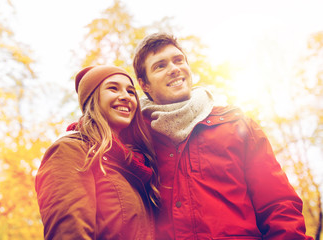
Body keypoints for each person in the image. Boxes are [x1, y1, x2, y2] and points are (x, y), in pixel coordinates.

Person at [133, 32, 313, 240]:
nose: (174, 69)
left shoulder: (237, 124)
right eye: (160, 66)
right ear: (144, 84)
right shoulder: (137, 139)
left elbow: (278, 204)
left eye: (178, 60)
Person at [35, 65, 160, 239]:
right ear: (92, 99)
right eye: (113, 88)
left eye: (131, 92)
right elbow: (69, 234)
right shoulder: (71, 150)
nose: (126, 96)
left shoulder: (140, 164)